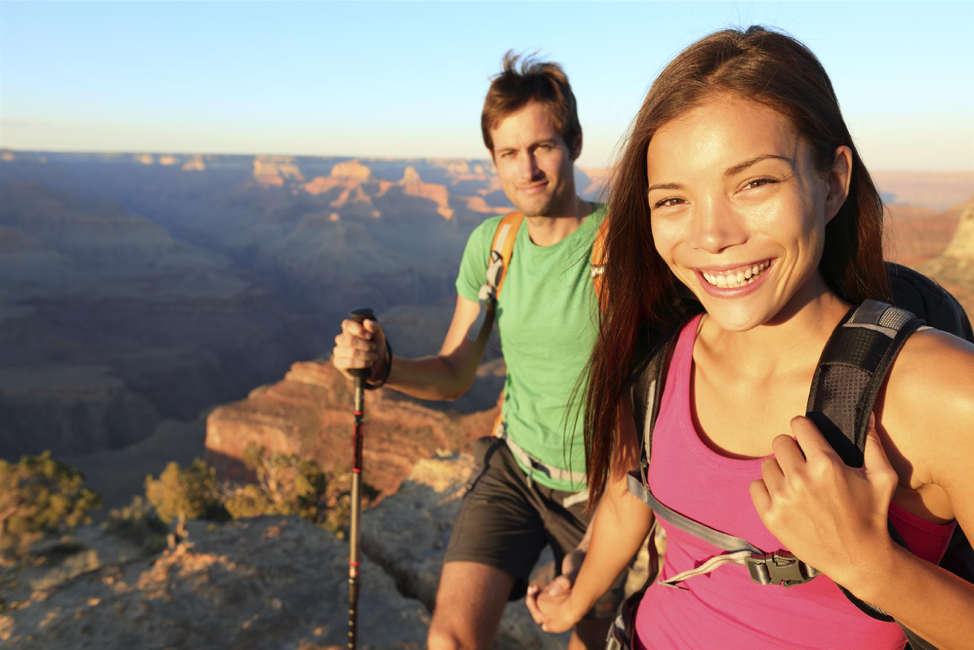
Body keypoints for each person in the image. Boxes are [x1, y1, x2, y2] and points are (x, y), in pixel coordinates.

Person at [526, 26, 974, 648]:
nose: (711, 235)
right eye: (673, 200)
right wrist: (574, 601)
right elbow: (637, 497)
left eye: (754, 183)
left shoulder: (939, 391)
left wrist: (877, 569)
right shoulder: (660, 354)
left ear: (833, 182)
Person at [332, 52, 625, 649]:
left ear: (573, 142)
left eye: (542, 146)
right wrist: (384, 367)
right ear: (493, 160)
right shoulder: (494, 244)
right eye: (509, 154)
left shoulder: (621, 246)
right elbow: (455, 371)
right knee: (450, 641)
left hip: (602, 489)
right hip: (516, 468)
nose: (529, 169)